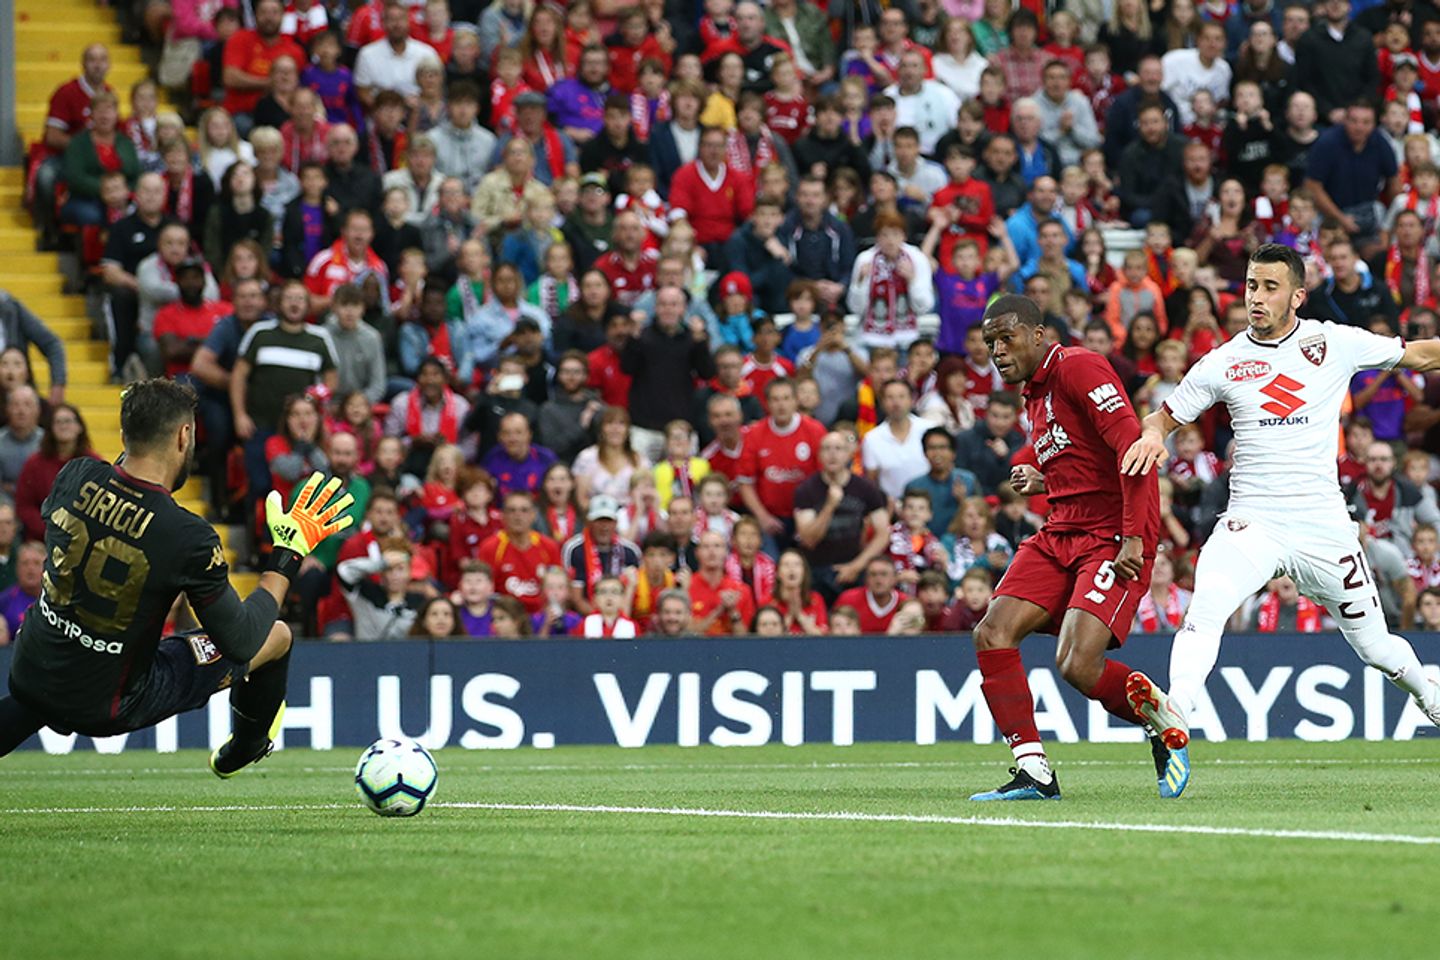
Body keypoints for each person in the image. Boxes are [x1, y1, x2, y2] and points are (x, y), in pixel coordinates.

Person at [1122, 243, 1440, 765]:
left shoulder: (1333, 342)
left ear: (1297, 295)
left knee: (1377, 648)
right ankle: (1175, 718)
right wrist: (1153, 433)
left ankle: (1429, 695)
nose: (1257, 297)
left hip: (1324, 527)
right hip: (1253, 522)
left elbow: (1419, 355)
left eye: (1270, 287)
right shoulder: (1223, 361)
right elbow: (1163, 415)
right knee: (1204, 611)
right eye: (1251, 285)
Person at [0, 379, 353, 770]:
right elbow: (242, 641)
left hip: (31, 667)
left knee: (50, 688)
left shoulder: (74, 475)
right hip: (110, 702)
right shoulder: (187, 535)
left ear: (124, 434)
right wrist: (288, 551)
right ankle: (247, 745)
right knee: (276, 635)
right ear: (185, 436)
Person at [968, 293, 1186, 803]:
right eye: (990, 343)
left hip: (1111, 534)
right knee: (993, 632)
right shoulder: (1035, 394)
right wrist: (1045, 479)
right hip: (1061, 530)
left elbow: (1135, 449)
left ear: (1039, 335)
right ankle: (1034, 771)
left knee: (1077, 663)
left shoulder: (1080, 368)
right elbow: (1086, 463)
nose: (998, 351)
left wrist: (1133, 536)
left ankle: (1160, 717)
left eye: (1007, 337)